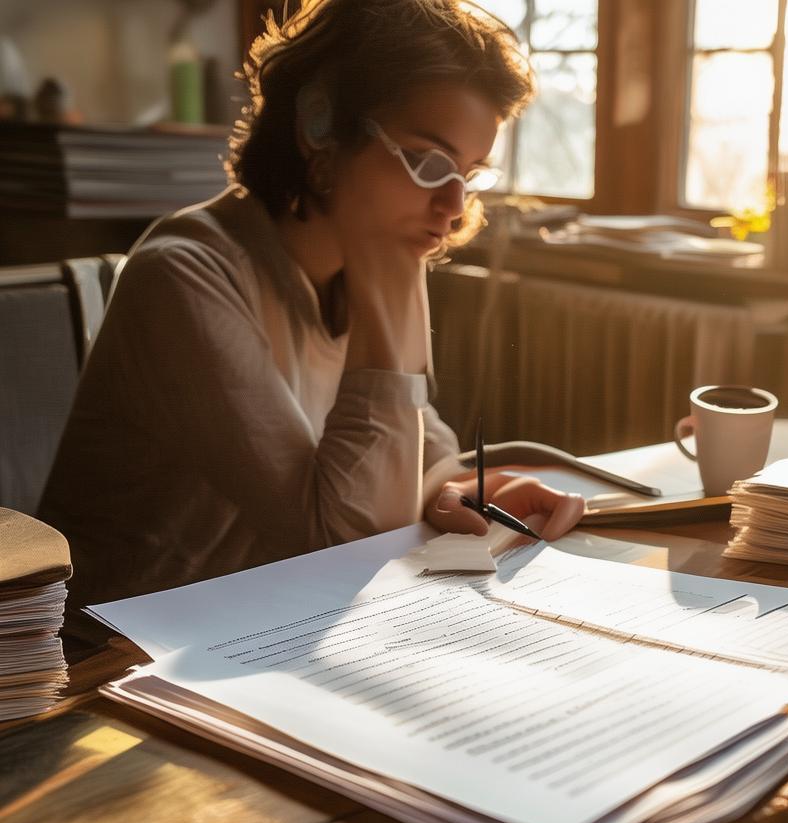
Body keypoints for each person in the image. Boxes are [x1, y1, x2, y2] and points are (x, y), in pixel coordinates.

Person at [41, 0, 585, 608]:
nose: (455, 206)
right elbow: (338, 547)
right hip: (115, 654)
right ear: (319, 127)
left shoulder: (359, 256)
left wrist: (454, 490)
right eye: (430, 162)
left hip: (267, 622)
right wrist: (394, 293)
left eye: (470, 172)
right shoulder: (185, 275)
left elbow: (424, 458)